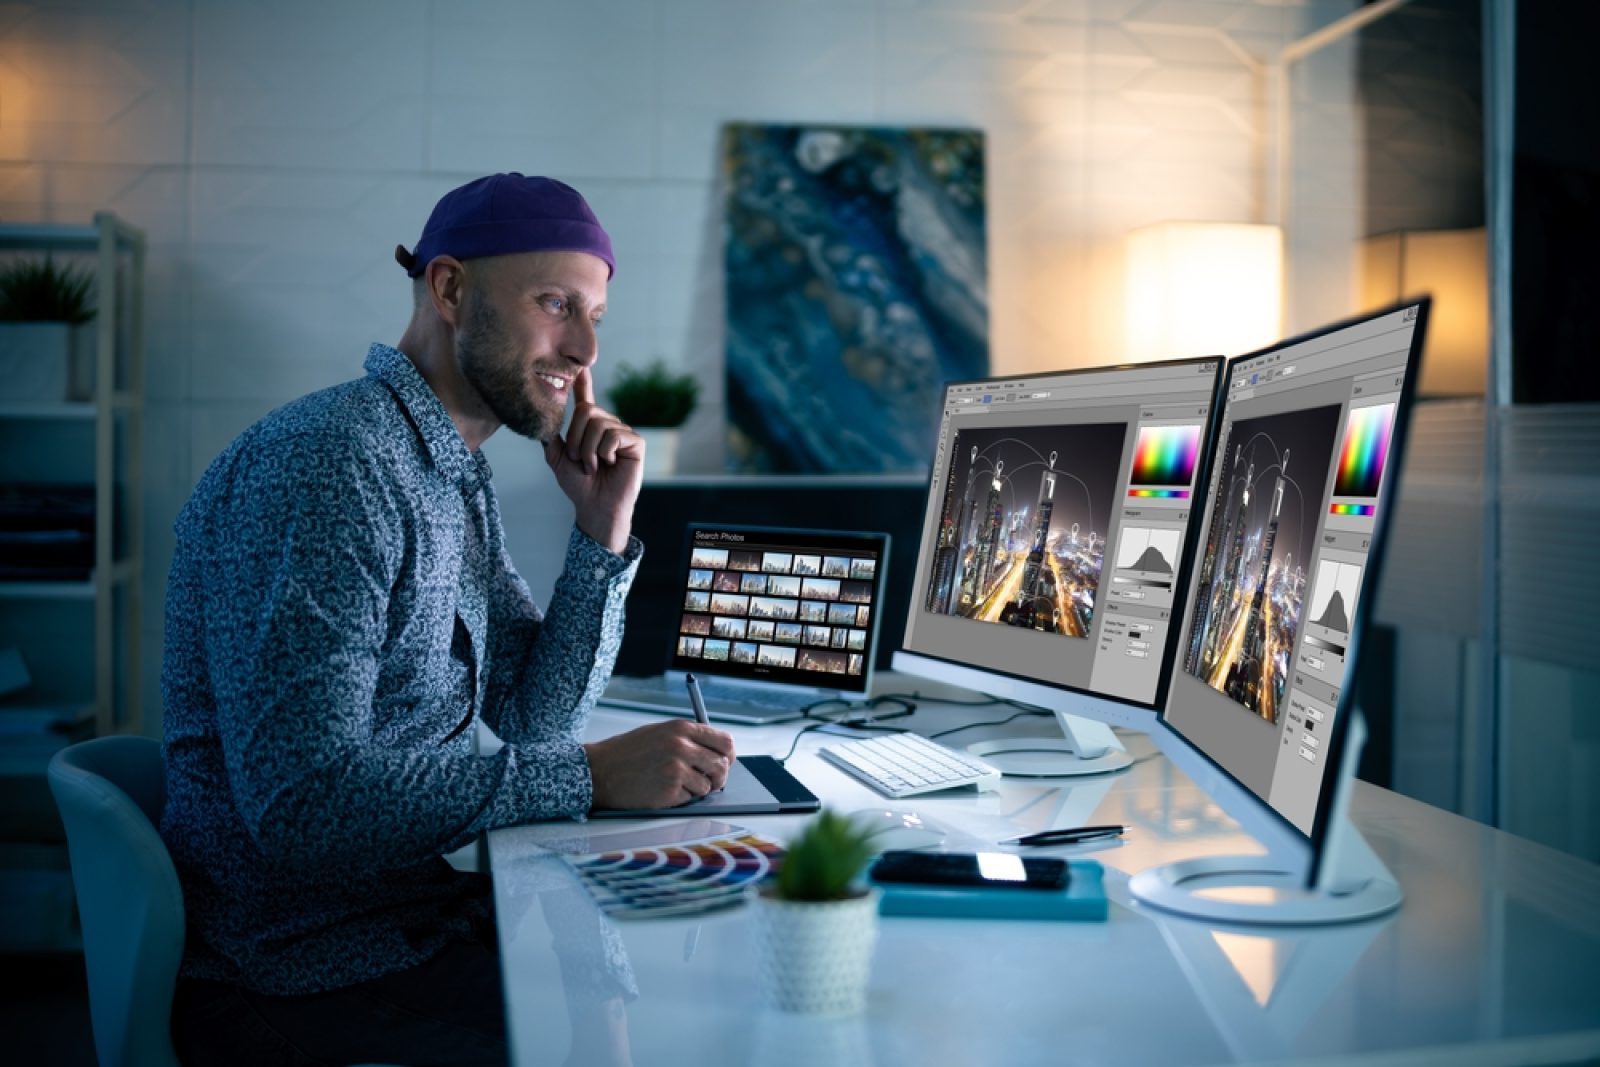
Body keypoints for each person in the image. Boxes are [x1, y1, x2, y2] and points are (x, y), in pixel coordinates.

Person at [160, 173, 735, 1066]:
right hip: (301, 972)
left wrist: (601, 531)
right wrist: (585, 778)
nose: (584, 347)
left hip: (411, 926)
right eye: (556, 304)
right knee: (670, 1029)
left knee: (686, 979)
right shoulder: (335, 466)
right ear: (451, 289)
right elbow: (301, 805)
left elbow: (534, 722)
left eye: (594, 316)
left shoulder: (447, 472)